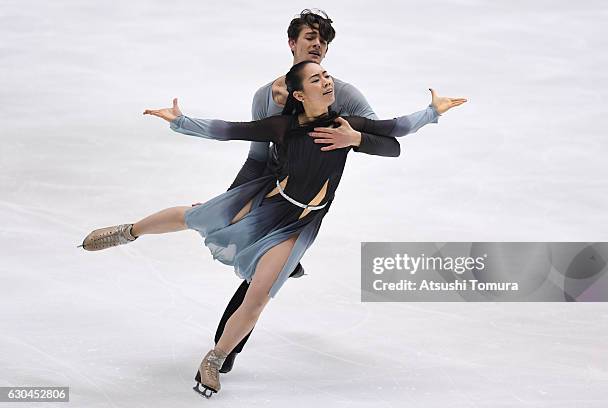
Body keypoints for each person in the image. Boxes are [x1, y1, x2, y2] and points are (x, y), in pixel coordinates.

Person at [79, 60, 466, 397]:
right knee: (195, 216)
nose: (327, 82)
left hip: (301, 223)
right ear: (299, 94)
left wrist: (430, 113)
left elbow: (395, 129)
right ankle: (128, 231)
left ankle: (215, 359)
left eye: (326, 76)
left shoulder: (347, 123)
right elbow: (228, 129)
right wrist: (181, 122)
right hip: (269, 202)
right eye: (316, 80)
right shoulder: (283, 127)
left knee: (259, 296)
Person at [213, 9, 420, 375]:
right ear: (292, 43)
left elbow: (391, 144)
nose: (317, 46)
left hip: (308, 204)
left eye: (323, 42)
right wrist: (229, 202)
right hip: (271, 194)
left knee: (260, 278)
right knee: (258, 271)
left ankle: (223, 350)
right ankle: (225, 348)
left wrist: (355, 138)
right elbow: (256, 159)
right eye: (310, 38)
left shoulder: (343, 95)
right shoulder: (266, 96)